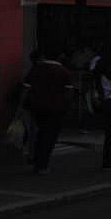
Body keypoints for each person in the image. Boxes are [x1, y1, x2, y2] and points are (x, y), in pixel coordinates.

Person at [18, 44, 74, 174]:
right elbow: (69, 94)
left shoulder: (36, 69)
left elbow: (26, 89)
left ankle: (36, 160)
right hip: (56, 108)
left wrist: (21, 106)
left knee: (39, 133)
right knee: (49, 136)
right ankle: (42, 164)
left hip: (36, 107)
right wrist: (67, 107)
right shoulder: (64, 71)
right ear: (60, 56)